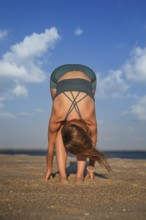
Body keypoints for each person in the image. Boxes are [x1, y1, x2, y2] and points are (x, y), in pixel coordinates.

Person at [44, 64, 111, 184]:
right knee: (61, 129)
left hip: (88, 76)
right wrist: (49, 168)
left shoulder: (89, 119)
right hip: (58, 76)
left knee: (72, 135)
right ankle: (64, 177)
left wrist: (91, 168)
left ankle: (78, 177)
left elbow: (90, 146)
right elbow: (50, 146)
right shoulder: (57, 116)